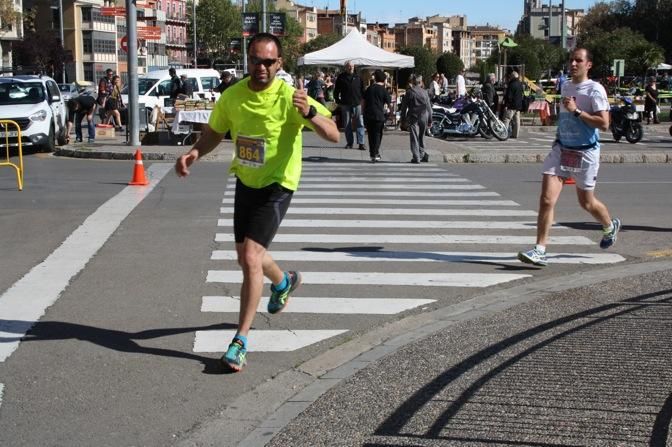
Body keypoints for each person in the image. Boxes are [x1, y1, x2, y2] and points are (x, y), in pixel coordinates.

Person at [174, 33, 339, 372]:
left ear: (279, 64)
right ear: (247, 60)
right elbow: (215, 131)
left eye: (269, 62)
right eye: (255, 60)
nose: (261, 67)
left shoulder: (290, 98)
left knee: (250, 257)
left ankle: (240, 341)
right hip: (247, 181)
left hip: (278, 184)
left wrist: (308, 113)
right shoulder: (232, 96)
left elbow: (333, 132)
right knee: (246, 256)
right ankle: (283, 281)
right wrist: (194, 152)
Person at [518, 47, 620, 267]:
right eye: (571, 60)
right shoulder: (565, 85)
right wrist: (559, 136)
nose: (573, 64)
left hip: (586, 152)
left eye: (578, 60)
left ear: (588, 65)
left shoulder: (595, 90)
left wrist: (576, 111)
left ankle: (609, 226)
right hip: (562, 150)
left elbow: (604, 124)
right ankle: (540, 250)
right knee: (546, 200)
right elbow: (564, 117)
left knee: (587, 202)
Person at [334, 60, 366, 150]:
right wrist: (338, 100)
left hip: (357, 103)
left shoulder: (358, 77)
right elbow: (336, 91)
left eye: (352, 66)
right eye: (349, 66)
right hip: (345, 104)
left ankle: (361, 143)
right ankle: (349, 143)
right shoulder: (341, 77)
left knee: (360, 123)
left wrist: (362, 101)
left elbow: (363, 90)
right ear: (345, 67)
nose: (350, 67)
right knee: (347, 124)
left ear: (354, 66)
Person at [400, 74, 432, 164]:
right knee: (422, 136)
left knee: (414, 136)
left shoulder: (410, 92)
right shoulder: (425, 92)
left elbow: (404, 107)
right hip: (424, 115)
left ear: (413, 82)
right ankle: (421, 153)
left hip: (413, 116)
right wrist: (430, 120)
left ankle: (416, 156)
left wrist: (402, 119)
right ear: (421, 82)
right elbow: (429, 108)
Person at [363, 69, 391, 162]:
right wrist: (391, 114)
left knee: (371, 135)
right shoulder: (384, 90)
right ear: (383, 79)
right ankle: (375, 153)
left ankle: (372, 153)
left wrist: (363, 112)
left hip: (368, 114)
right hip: (379, 115)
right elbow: (390, 104)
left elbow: (363, 102)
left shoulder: (369, 88)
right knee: (378, 135)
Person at [503, 71, 524, 138]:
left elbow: (509, 96)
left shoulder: (511, 84)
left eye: (511, 76)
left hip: (511, 105)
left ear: (513, 76)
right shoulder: (520, 84)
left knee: (507, 119)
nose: (510, 78)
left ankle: (504, 133)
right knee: (517, 120)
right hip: (518, 106)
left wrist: (506, 104)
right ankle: (515, 134)